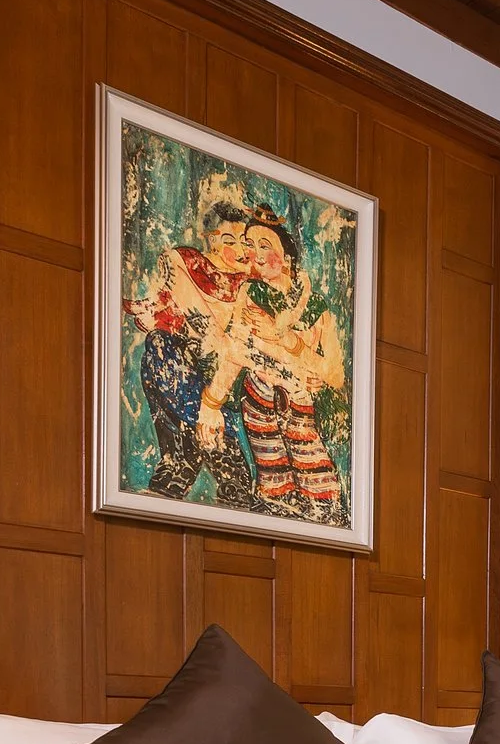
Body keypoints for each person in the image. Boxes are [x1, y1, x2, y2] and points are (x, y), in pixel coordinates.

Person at [126, 200, 275, 513]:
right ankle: (198, 461)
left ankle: (188, 465)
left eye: (244, 242)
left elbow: (243, 350)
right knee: (159, 347)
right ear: (212, 240)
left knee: (183, 471)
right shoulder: (185, 265)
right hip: (188, 386)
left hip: (226, 394)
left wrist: (213, 403)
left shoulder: (252, 286)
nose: (241, 251)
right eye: (230, 240)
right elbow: (154, 313)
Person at [231, 207, 350, 516]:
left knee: (323, 497)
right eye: (249, 244)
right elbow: (241, 348)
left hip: (303, 412)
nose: (254, 254)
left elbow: (335, 375)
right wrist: (299, 364)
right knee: (275, 492)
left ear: (285, 258)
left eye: (264, 246)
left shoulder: (314, 305)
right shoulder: (248, 294)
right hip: (262, 404)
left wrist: (285, 340)